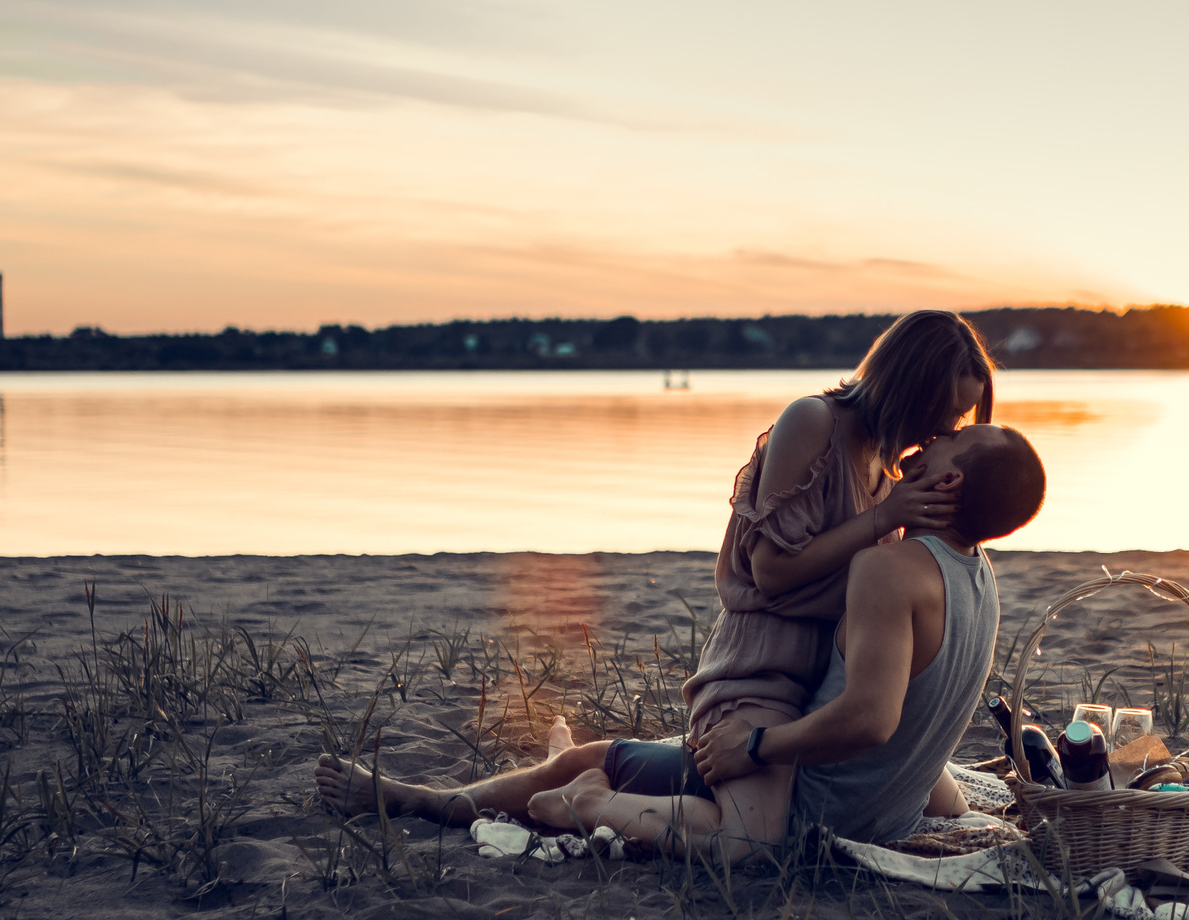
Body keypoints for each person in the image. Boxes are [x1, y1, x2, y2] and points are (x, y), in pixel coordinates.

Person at [312, 310, 996, 836]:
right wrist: (885, 519)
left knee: (946, 802)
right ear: (907, 382)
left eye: (954, 422)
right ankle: (436, 802)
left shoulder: (887, 464)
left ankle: (578, 760)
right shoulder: (812, 422)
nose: (938, 433)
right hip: (760, 675)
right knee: (751, 840)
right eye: (940, 414)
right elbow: (771, 570)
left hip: (818, 685)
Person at [543, 420, 1044, 860]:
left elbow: (871, 719)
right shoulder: (980, 580)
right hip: (885, 816)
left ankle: (586, 800)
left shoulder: (888, 570)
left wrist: (756, 746)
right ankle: (550, 765)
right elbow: (919, 716)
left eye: (952, 438)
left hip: (806, 811)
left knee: (614, 765)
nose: (935, 435)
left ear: (950, 479)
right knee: (625, 755)